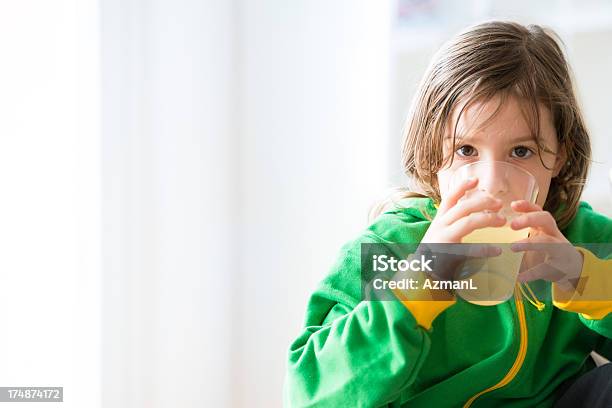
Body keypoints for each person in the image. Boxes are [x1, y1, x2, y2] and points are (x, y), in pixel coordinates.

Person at [283, 21, 612, 407]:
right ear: (431, 155)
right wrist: (416, 286)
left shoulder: (582, 237)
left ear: (562, 154)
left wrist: (583, 280)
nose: (493, 183)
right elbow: (309, 392)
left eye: (521, 151)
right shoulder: (391, 247)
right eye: (466, 151)